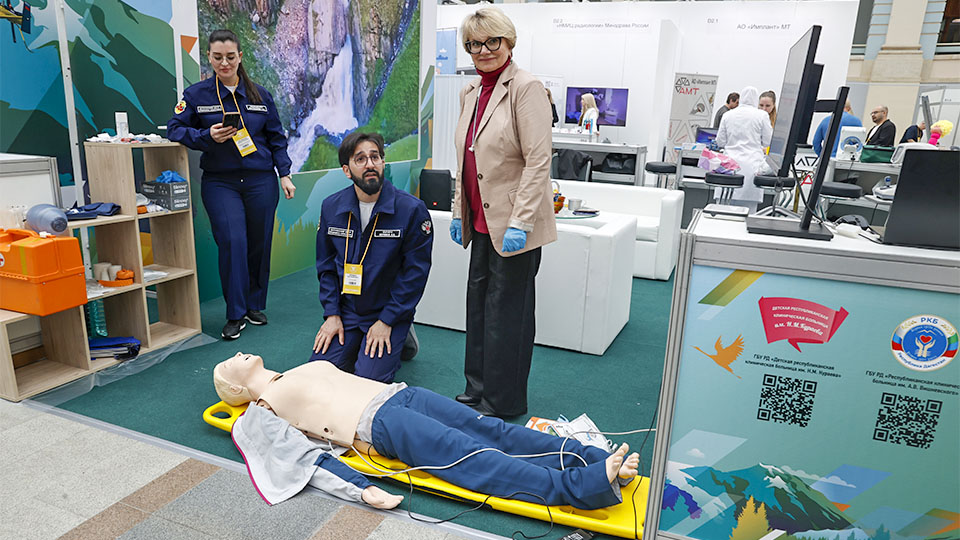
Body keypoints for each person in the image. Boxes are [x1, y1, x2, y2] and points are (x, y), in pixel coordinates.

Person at [214, 353, 640, 510]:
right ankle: (584, 487)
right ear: (233, 389)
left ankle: (593, 458)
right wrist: (360, 489)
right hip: (381, 425)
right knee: (473, 456)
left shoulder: (294, 369)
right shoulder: (261, 411)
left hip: (403, 395)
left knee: (496, 431)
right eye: (229, 363)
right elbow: (301, 457)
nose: (239, 354)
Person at [449, 7, 557, 418]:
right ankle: (477, 387)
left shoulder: (527, 88)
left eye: (492, 41)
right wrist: (459, 211)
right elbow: (466, 158)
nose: (483, 50)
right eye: (474, 44)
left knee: (507, 315)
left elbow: (538, 161)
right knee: (478, 306)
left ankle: (503, 399)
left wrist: (521, 221)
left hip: (513, 224)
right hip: (481, 220)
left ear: (508, 41)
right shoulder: (470, 92)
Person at [167, 29, 296, 340]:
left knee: (259, 243)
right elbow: (174, 129)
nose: (224, 63)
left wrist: (285, 174)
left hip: (260, 180)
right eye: (217, 57)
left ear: (240, 57)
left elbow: (276, 138)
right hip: (221, 182)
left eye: (230, 57)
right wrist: (205, 136)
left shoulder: (260, 96)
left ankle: (254, 305)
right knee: (233, 241)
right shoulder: (196, 96)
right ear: (209, 57)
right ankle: (235, 313)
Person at [311, 132, 433, 384]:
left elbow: (414, 275)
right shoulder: (331, 207)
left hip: (386, 310)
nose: (370, 164)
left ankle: (401, 333)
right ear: (346, 170)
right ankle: (362, 339)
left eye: (375, 157)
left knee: (367, 381)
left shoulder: (411, 210)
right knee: (317, 375)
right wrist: (332, 314)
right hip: (347, 310)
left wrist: (388, 320)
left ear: (383, 163)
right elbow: (326, 267)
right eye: (360, 159)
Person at [714, 86, 773, 213]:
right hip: (751, 168)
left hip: (729, 168)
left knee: (722, 212)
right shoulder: (762, 115)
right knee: (748, 214)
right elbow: (768, 142)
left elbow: (720, 142)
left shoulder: (728, 115)